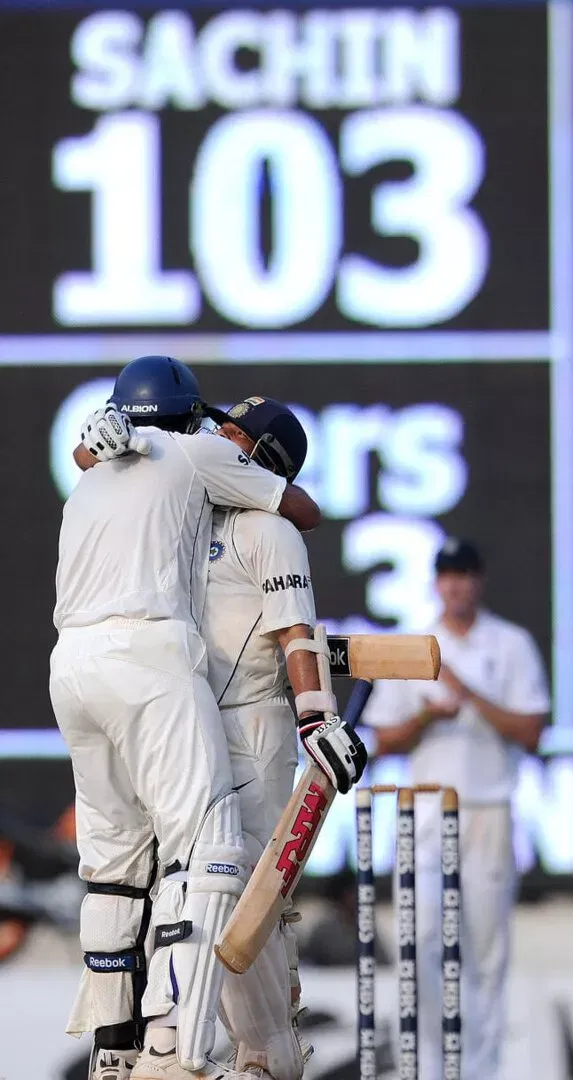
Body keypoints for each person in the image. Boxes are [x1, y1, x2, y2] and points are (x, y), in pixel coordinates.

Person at [50, 355, 321, 1080]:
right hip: (152, 666)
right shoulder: (195, 456)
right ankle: (175, 1048)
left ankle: (115, 1052)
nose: (220, 433)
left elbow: (89, 451)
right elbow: (303, 506)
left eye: (235, 430)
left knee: (114, 867)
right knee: (208, 850)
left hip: (72, 670)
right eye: (213, 421)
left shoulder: (97, 472)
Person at [201, 397, 368, 1079]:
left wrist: (315, 717)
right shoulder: (185, 515)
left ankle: (269, 1057)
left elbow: (296, 631)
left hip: (255, 727)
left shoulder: (272, 532)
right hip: (192, 724)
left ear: (258, 453)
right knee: (192, 892)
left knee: (248, 895)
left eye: (230, 431)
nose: (214, 435)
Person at [362, 537, 550, 1080]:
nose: (456, 584)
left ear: (479, 580)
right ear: (436, 582)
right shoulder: (417, 646)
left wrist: (469, 696)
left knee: (486, 952)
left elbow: (533, 730)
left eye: (465, 573)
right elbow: (384, 739)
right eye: (447, 575)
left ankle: (481, 1069)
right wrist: (428, 718)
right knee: (419, 942)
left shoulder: (509, 644)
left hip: (488, 810)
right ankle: (425, 1068)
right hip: (424, 815)